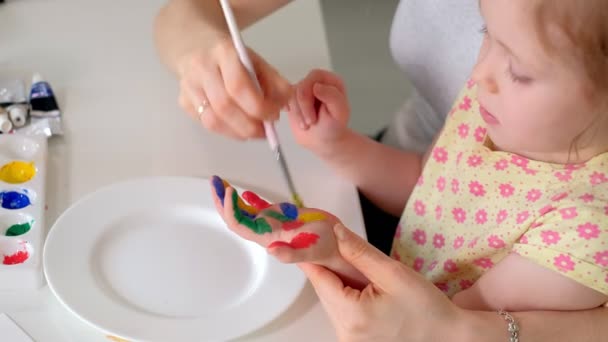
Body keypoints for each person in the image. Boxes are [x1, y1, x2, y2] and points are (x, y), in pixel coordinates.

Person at [155, 0, 608, 340]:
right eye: (485, 32)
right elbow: (423, 185)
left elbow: (439, 320)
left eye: (519, 70)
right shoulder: (498, 107)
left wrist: (333, 251)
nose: (480, 72)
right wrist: (337, 146)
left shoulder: (583, 233)